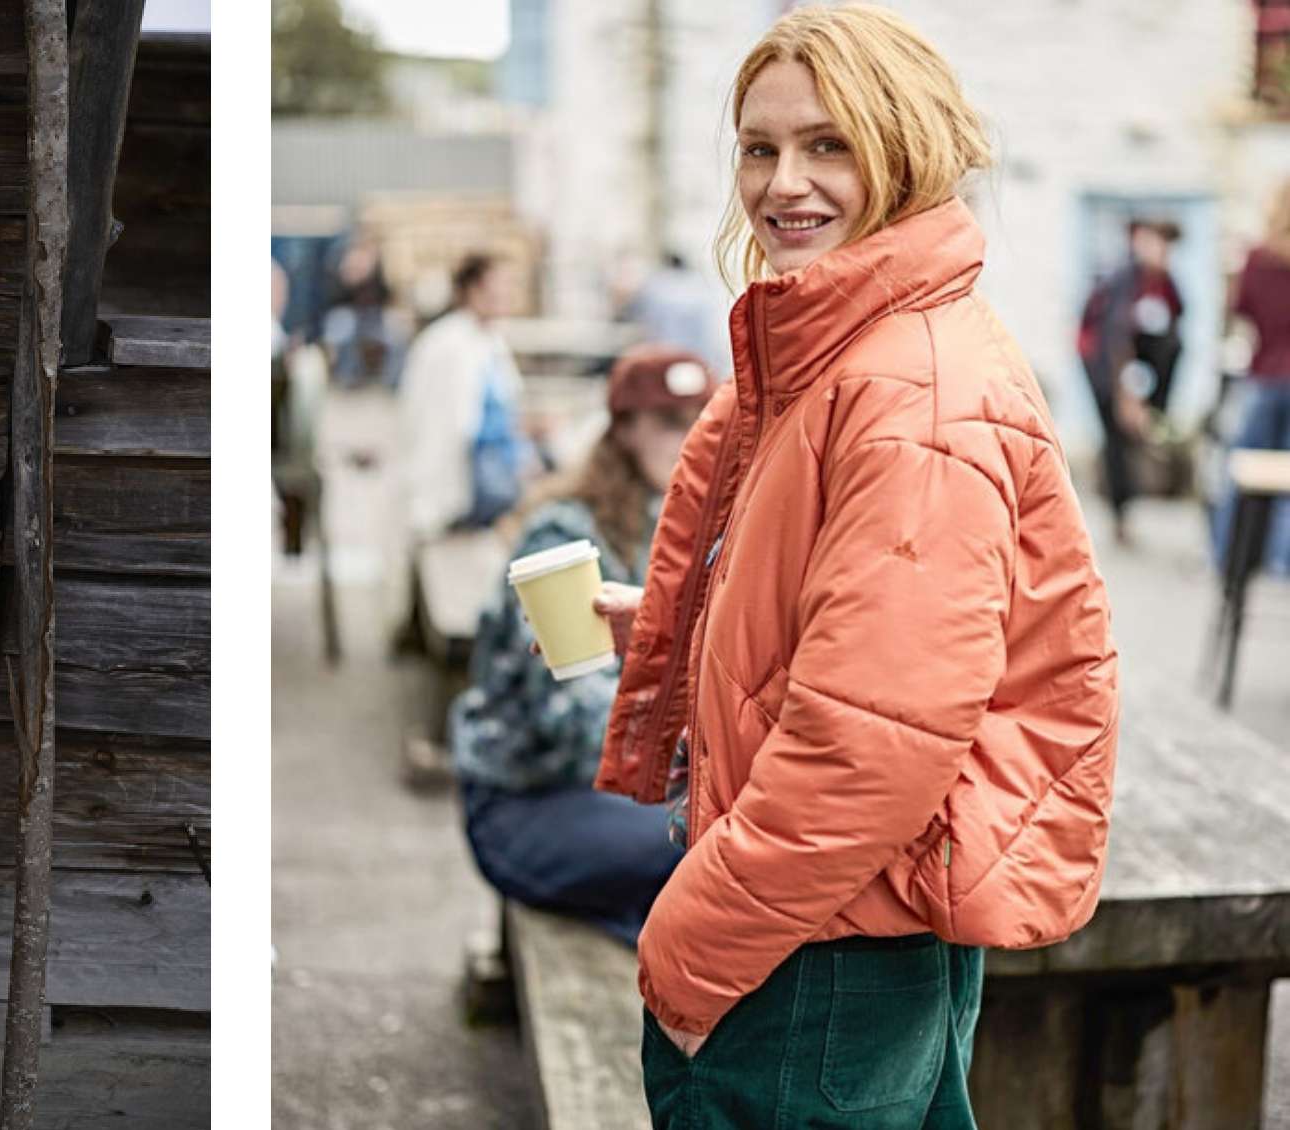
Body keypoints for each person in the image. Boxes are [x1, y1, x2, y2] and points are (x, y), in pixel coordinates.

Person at [586, 7, 1120, 1127]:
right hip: (837, 923)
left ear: (904, 148)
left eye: (830, 144)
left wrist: (690, 945)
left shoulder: (902, 386)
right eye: (760, 145)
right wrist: (689, 626)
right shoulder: (859, 347)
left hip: (815, 946)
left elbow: (871, 744)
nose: (787, 181)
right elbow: (863, 636)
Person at [449, 345, 713, 945]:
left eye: (703, 419)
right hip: (528, 802)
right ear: (623, 429)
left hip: (622, 795)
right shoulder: (562, 538)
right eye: (671, 422)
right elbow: (571, 716)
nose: (691, 437)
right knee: (715, 846)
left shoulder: (681, 526)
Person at [395, 253, 536, 538]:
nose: (508, 292)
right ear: (473, 289)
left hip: (484, 503)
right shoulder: (447, 346)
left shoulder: (490, 340)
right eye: (501, 284)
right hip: (450, 503)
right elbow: (446, 427)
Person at [1078, 217, 1187, 545]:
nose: (1162, 252)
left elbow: (1175, 332)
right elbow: (1114, 340)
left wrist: (1152, 402)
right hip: (1102, 364)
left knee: (1174, 343)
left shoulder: (1166, 284)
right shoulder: (1122, 281)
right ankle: (1119, 513)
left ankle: (1154, 417)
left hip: (1137, 366)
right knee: (1115, 435)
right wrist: (1127, 399)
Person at [1217, 182, 1290, 575]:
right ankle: (1283, 565)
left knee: (1242, 476)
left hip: (1263, 377)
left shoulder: (1257, 258)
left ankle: (1231, 557)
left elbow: (1241, 309)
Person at [620, 251, 732, 376]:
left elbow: (635, 314)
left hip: (662, 357)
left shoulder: (655, 285)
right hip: (697, 358)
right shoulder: (701, 287)